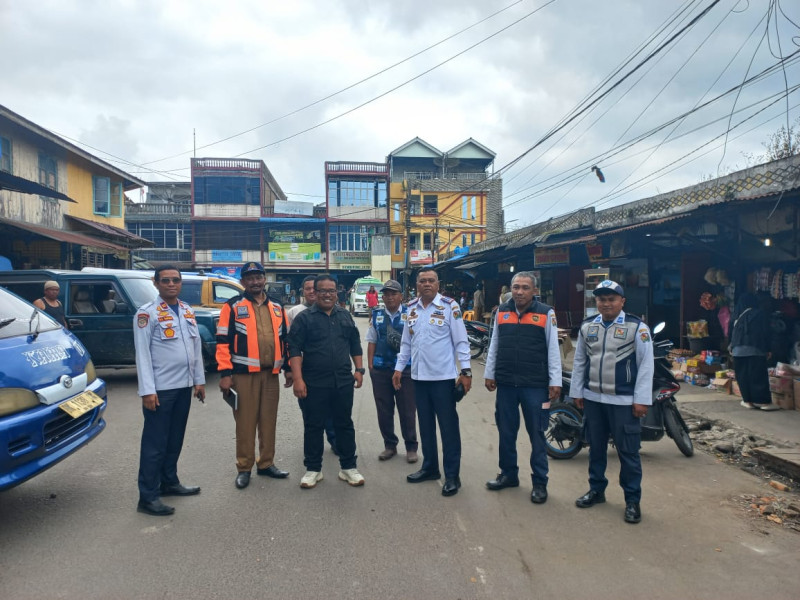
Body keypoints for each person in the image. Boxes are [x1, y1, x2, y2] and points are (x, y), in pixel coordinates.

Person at [569, 280, 653, 524]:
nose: (606, 304)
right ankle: (596, 490)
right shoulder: (588, 327)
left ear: (622, 302)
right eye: (601, 299)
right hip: (594, 399)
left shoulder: (637, 328)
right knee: (596, 448)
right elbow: (580, 361)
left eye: (611, 299)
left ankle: (632, 500)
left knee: (628, 452)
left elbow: (646, 365)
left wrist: (641, 400)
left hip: (624, 402)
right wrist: (578, 392)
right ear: (596, 302)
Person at [393, 267, 471, 497]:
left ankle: (452, 475)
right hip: (418, 378)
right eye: (422, 281)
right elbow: (406, 343)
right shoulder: (410, 309)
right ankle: (430, 468)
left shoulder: (449, 307)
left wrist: (466, 372)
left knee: (448, 429)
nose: (426, 284)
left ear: (438, 284)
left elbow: (461, 342)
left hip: (443, 379)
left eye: (431, 281)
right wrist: (399, 368)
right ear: (416, 285)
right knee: (425, 426)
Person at [483, 272, 561, 504]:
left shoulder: (546, 313)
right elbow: (494, 343)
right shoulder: (502, 312)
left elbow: (553, 350)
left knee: (537, 434)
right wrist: (489, 373)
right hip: (506, 383)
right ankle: (508, 474)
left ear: (534, 291)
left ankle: (539, 482)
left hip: (534, 385)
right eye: (516, 287)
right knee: (506, 432)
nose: (519, 291)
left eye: (525, 287)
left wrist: (554, 380)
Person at [134, 266, 205, 516]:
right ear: (156, 283)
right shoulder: (147, 313)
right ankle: (148, 496)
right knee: (155, 443)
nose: (171, 284)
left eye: (176, 280)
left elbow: (194, 348)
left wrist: (199, 381)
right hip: (161, 390)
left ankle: (169, 482)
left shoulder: (186, 309)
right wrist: (147, 391)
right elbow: (142, 354)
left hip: (184, 386)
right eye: (166, 280)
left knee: (175, 439)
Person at [217, 261, 292, 490]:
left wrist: (288, 368)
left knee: (268, 421)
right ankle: (244, 467)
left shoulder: (278, 307)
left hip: (271, 375)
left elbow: (286, 340)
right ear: (243, 282)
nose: (255, 281)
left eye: (258, 277)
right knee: (245, 423)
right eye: (250, 278)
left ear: (264, 279)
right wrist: (225, 373)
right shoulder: (231, 307)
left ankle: (266, 463)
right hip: (243, 375)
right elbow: (222, 342)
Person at [288, 274, 365, 489]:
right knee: (314, 426)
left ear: (337, 292)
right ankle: (313, 469)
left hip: (342, 382)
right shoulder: (305, 319)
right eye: (322, 291)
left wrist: (359, 369)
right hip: (314, 382)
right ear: (315, 292)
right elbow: (294, 349)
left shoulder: (345, 316)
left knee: (344, 424)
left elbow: (355, 343)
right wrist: (298, 379)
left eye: (332, 291)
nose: (327, 295)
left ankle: (348, 467)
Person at [366, 279, 418, 463]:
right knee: (384, 410)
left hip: (405, 370)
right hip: (381, 370)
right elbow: (372, 340)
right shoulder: (377, 314)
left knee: (407, 410)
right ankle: (390, 445)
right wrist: (371, 365)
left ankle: (411, 447)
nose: (389, 297)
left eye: (393, 293)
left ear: (401, 296)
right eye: (386, 294)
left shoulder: (411, 314)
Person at [287, 275, 339, 454]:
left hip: (327, 373)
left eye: (313, 288)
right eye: (308, 289)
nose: (311, 292)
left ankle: (334, 440)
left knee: (332, 410)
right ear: (304, 291)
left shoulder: (333, 311)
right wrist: (292, 373)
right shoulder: (294, 313)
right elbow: (289, 345)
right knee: (310, 412)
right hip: (304, 370)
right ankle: (313, 447)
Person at [729, 292, 779, 411]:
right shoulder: (760, 314)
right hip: (755, 349)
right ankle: (763, 402)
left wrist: (731, 348)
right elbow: (765, 332)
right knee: (758, 376)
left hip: (737, 351)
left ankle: (748, 401)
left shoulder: (737, 316)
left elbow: (730, 333)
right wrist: (768, 349)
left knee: (743, 376)